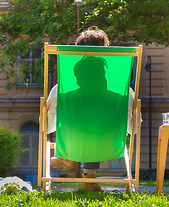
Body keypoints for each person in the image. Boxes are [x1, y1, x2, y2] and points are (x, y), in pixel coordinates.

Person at [47, 27, 140, 192]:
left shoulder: (59, 92)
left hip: (73, 141)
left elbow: (47, 126)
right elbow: (134, 128)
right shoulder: (124, 94)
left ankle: (68, 156)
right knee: (94, 123)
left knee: (78, 121)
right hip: (109, 142)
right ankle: (89, 180)